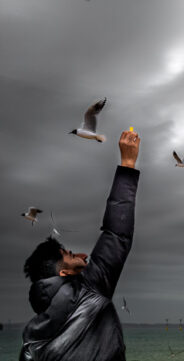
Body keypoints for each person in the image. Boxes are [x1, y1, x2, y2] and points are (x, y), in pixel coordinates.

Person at [20, 130, 141, 361]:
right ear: (63, 272)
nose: (79, 255)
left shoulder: (31, 341)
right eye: (70, 254)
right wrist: (127, 163)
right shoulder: (89, 290)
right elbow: (117, 234)